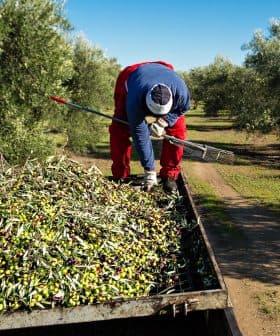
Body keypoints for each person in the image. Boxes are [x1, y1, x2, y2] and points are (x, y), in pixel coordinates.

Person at [109, 60, 191, 192]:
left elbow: (183, 108)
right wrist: (150, 170)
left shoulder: (181, 92)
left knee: (178, 130)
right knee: (119, 129)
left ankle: (170, 174)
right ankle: (120, 175)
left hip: (163, 71)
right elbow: (140, 136)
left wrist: (165, 121)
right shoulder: (134, 100)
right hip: (131, 77)